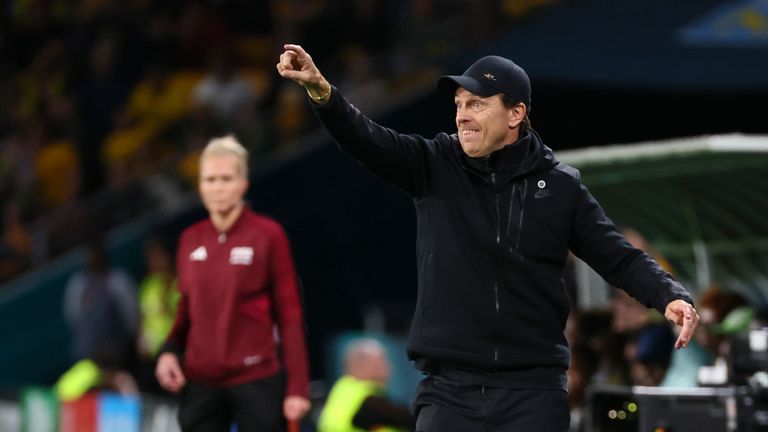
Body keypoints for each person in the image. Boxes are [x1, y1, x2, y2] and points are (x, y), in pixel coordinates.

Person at [277, 44, 700, 431]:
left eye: (476, 104)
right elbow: (367, 140)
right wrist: (323, 93)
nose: (461, 114)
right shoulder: (434, 164)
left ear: (515, 114)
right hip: (448, 392)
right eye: (459, 104)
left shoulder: (560, 187)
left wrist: (669, 295)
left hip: (532, 394)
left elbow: (618, 257)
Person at [155, 136, 311, 431]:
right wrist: (168, 351)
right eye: (210, 179)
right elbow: (186, 310)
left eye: (226, 178)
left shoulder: (268, 235)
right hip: (201, 382)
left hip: (256, 379)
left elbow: (290, 314)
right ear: (200, 186)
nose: (217, 187)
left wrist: (297, 387)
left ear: (243, 184)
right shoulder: (190, 239)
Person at [318, 338, 415, 432]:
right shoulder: (366, 397)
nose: (389, 366)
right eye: (382, 360)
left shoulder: (342, 393)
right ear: (362, 364)